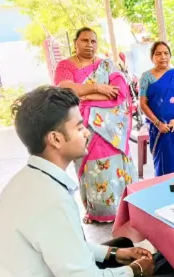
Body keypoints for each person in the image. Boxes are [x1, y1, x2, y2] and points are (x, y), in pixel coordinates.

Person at [0, 86, 174, 277]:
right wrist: (135, 271)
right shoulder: (52, 200)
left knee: (123, 245)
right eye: (80, 128)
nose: (87, 133)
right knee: (169, 270)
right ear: (55, 139)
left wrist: (114, 254)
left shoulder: (24, 181)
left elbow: (65, 245)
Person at [54, 27, 137, 224]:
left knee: (116, 165)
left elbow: (120, 93)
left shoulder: (106, 65)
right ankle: (98, 212)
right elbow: (65, 89)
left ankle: (126, 208)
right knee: (91, 167)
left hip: (112, 128)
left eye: (93, 41)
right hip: (82, 126)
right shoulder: (65, 66)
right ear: (75, 42)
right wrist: (97, 88)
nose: (89, 45)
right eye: (84, 40)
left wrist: (85, 96)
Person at [139, 41, 174, 176]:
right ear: (152, 57)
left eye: (166, 53)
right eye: (158, 54)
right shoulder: (146, 77)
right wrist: (158, 123)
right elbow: (142, 104)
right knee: (167, 164)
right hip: (161, 128)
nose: (163, 57)